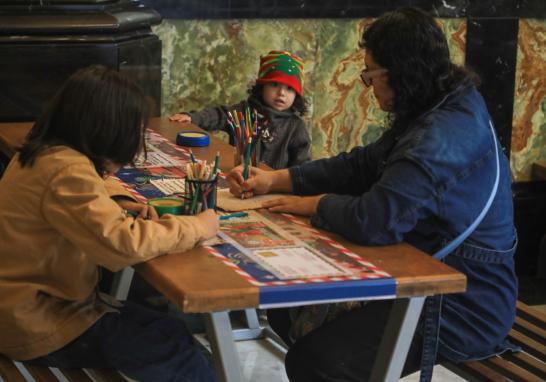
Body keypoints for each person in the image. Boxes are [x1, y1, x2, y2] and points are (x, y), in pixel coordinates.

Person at [227, 7, 518, 382]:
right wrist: (279, 179)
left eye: (370, 75)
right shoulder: (439, 98)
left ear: (400, 73)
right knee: (289, 312)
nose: (368, 86)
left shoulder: (440, 137)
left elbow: (374, 221)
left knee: (317, 360)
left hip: (464, 303)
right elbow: (362, 165)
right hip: (421, 271)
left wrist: (313, 204)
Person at [0, 65, 219, 382]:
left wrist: (121, 202)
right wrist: (199, 226)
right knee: (173, 345)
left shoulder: (47, 152)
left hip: (24, 308)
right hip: (35, 323)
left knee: (166, 329)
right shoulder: (66, 170)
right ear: (107, 130)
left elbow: (93, 187)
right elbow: (124, 243)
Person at [170, 50, 311, 169]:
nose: (282, 93)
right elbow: (217, 115)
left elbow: (301, 169)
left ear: (296, 95)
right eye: (274, 84)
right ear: (262, 87)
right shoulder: (244, 111)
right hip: (237, 181)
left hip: (273, 190)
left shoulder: (295, 127)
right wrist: (192, 118)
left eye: (289, 88)